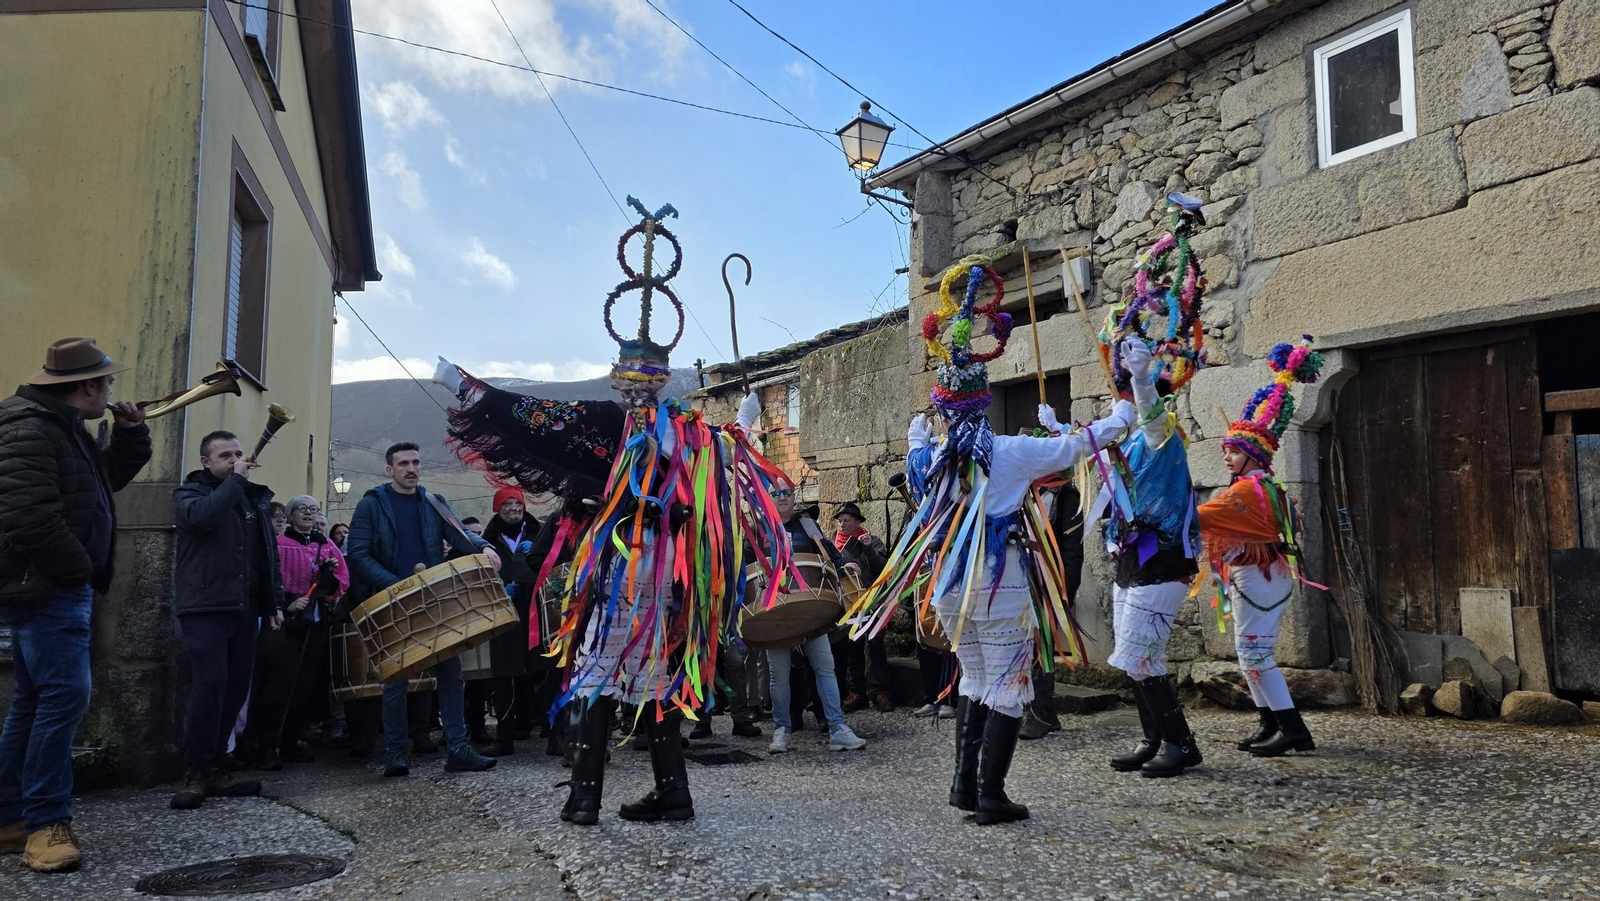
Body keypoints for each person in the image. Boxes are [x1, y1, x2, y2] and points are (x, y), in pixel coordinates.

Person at [433, 198, 801, 826]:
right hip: (665, 574)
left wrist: (474, 392)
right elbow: (730, 445)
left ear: (627, 379)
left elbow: (538, 420)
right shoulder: (687, 432)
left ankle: (586, 798)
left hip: (624, 565)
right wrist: (744, 419)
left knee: (598, 673)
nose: (633, 390)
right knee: (652, 676)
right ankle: (672, 792)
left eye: (635, 382)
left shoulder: (615, 425)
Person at [851, 258, 1134, 826]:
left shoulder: (929, 460)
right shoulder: (1006, 452)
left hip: (951, 591)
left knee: (976, 680)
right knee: (1007, 684)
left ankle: (963, 785)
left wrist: (929, 416)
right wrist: (1121, 418)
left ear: (943, 407)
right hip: (999, 585)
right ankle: (990, 795)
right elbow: (1077, 447)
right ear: (982, 400)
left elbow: (915, 437)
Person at [0, 338, 151, 872]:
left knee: (34, 701)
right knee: (64, 698)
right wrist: (79, 572)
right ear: (87, 387)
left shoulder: (61, 428)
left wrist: (131, 436)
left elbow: (100, 485)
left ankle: (11, 816)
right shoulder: (31, 430)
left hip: (46, 586)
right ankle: (45, 823)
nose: (112, 392)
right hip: (48, 588)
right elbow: (27, 516)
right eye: (107, 383)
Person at [1099, 193, 1209, 779]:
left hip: (1164, 557)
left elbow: (1149, 414)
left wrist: (1144, 380)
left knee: (1140, 653)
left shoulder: (1163, 434)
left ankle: (1181, 743)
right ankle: (1153, 739)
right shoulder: (1131, 442)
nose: (1125, 395)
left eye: (1132, 388)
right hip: (1131, 556)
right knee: (1135, 659)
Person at [1199, 336, 1324, 758]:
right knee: (1250, 652)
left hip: (1259, 575)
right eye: (1226, 451)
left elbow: (1200, 517)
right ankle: (1271, 725)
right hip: (1257, 575)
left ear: (1254, 454)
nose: (1227, 458)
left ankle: (1292, 730)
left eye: (1234, 451)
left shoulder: (1247, 493)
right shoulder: (1259, 487)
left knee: (1254, 653)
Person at [345, 442, 500, 778]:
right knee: (396, 682)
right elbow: (357, 553)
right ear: (390, 470)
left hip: (434, 600)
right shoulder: (371, 505)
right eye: (403, 463)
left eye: (415, 462)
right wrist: (397, 585)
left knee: (451, 676)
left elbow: (460, 535)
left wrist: (486, 547)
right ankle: (396, 752)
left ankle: (458, 748)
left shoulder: (433, 502)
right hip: (391, 602)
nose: (411, 468)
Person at [169, 430, 279, 810]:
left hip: (243, 608)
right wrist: (236, 482)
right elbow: (202, 518)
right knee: (210, 685)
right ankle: (195, 769)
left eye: (237, 453)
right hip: (205, 606)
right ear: (206, 463)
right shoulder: (190, 494)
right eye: (225, 456)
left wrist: (272, 602)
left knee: (234, 688)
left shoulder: (247, 500)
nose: (234, 460)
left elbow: (263, 556)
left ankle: (216, 765)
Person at [239, 495, 348, 770]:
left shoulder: (326, 545)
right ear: (289, 515)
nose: (309, 514)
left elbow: (340, 582)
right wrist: (287, 602)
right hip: (284, 624)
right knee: (277, 686)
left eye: (314, 509)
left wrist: (326, 577)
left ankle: (289, 742)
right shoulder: (277, 544)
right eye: (302, 509)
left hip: (315, 622)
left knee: (304, 686)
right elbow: (267, 580)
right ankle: (265, 747)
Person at [763, 486, 868, 755]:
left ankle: (838, 728)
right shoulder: (761, 527)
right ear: (768, 498)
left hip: (810, 606)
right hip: (775, 611)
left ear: (794, 496)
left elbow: (829, 550)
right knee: (779, 674)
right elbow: (747, 564)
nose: (782, 497)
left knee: (825, 667)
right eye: (775, 493)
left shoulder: (808, 524)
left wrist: (844, 561)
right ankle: (782, 730)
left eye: (786, 491)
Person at [1020, 481, 1083, 740]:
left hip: (1048, 584)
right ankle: (1033, 710)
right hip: (1021, 579)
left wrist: (1064, 592)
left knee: (1040, 646)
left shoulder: (1066, 494)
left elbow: (1072, 549)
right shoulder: (1022, 490)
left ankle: (1039, 714)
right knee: (1022, 646)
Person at [831, 503, 894, 713]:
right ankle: (856, 693)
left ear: (858, 522)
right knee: (852, 649)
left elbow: (881, 569)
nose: (842, 524)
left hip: (873, 602)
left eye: (846, 520)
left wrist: (867, 549)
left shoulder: (872, 541)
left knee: (876, 645)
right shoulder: (834, 546)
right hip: (849, 606)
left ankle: (881, 693)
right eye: (840, 521)